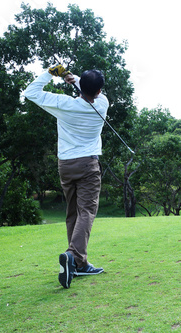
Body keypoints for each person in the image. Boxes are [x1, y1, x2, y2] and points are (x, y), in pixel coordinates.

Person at [23, 65, 107, 289]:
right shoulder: (103, 103)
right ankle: (73, 256)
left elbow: (30, 93)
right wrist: (73, 79)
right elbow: (88, 88)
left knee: (73, 213)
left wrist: (52, 74)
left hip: (66, 165)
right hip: (88, 164)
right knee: (87, 211)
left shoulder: (64, 104)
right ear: (98, 91)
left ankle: (79, 264)